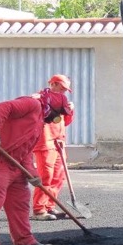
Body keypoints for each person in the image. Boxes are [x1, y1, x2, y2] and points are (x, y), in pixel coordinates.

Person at [0, 89, 71, 245]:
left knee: (20, 204)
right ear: (53, 107)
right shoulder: (32, 104)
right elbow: (2, 107)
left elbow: (25, 150)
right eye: (59, 113)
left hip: (15, 163)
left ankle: (24, 241)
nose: (57, 117)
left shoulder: (40, 121)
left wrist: (33, 174)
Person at [32, 75, 75, 220]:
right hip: (45, 143)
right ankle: (39, 210)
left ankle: (50, 206)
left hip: (59, 142)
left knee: (58, 177)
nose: (63, 92)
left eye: (65, 89)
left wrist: (70, 110)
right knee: (46, 177)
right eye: (61, 88)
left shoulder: (62, 101)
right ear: (53, 84)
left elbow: (65, 122)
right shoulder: (38, 99)